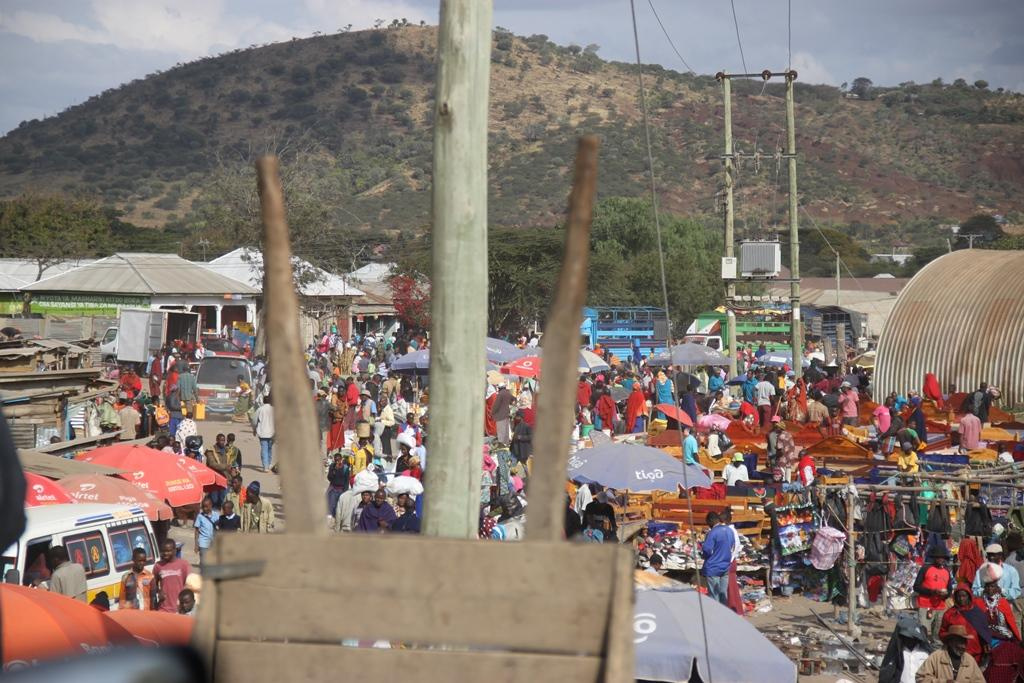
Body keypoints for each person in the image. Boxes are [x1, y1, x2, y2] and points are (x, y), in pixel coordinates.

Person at [914, 624, 985, 683]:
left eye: (964, 642)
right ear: (950, 642)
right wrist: (943, 682)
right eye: (959, 641)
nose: (963, 646)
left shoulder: (969, 660)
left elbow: (980, 681)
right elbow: (920, 678)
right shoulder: (936, 657)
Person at [938, 586, 991, 664]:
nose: (961, 599)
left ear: (969, 596)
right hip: (956, 653)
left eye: (964, 596)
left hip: (976, 654)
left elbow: (984, 631)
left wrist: (986, 645)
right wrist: (952, 635)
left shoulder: (977, 612)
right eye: (959, 596)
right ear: (955, 597)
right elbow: (942, 633)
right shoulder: (950, 614)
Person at [914, 545, 955, 640]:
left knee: (937, 636)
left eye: (943, 557)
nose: (941, 559)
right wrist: (931, 592)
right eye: (938, 557)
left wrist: (945, 595)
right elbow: (916, 587)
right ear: (934, 558)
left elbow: (949, 590)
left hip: (940, 607)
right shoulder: (925, 568)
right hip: (925, 606)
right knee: (923, 633)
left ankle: (935, 653)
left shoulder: (946, 571)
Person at [700, 512, 734, 606]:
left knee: (714, 596)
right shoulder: (729, 530)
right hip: (725, 566)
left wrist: (706, 556)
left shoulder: (713, 532)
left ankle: (715, 616)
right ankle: (724, 615)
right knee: (723, 594)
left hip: (713, 567)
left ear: (711, 521)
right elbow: (732, 546)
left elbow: (707, 549)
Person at [152, 538, 191, 613]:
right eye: (163, 551)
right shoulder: (158, 566)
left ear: (174, 550)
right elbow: (153, 584)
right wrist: (159, 591)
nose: (165, 553)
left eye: (168, 551)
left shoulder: (183, 565)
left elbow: (189, 585)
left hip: (180, 609)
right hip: (164, 608)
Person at [721, 508, 745, 615]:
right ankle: (736, 609)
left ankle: (733, 610)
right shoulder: (732, 531)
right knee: (732, 587)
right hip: (730, 560)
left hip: (728, 561)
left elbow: (733, 548)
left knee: (730, 588)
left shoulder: (728, 532)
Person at [194, 496, 219, 570]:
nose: (205, 509)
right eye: (203, 507)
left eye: (207, 507)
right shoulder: (200, 516)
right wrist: (196, 544)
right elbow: (196, 531)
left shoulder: (216, 515)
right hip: (203, 541)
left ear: (211, 505)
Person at [326, 452, 351, 520]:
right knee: (331, 504)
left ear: (341, 460)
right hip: (333, 488)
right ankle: (330, 517)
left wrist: (345, 491)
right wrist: (334, 470)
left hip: (341, 489)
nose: (337, 462)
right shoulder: (332, 466)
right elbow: (329, 478)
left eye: (338, 460)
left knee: (339, 505)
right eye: (336, 460)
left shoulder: (345, 468)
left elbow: (346, 480)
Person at [254, 395, 274, 472]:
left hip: (262, 432)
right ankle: (268, 463)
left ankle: (265, 466)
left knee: (264, 449)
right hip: (272, 433)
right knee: (269, 448)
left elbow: (254, 420)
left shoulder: (260, 409)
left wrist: (254, 429)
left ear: (263, 401)